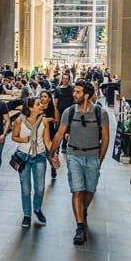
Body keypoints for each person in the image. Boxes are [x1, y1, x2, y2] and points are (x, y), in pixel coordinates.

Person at [49, 80, 110, 245]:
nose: (73, 94)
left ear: (86, 95)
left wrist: (100, 159)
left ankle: (82, 211)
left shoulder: (100, 113)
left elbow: (105, 138)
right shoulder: (69, 112)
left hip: (92, 157)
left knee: (89, 190)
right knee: (77, 190)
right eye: (74, 91)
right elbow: (60, 133)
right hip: (74, 155)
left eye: (77, 92)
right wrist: (52, 153)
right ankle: (80, 226)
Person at [11, 97, 53, 228]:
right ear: (30, 108)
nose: (41, 105)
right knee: (26, 189)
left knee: (40, 188)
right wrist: (22, 140)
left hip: (39, 156)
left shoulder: (44, 121)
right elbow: (13, 136)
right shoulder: (19, 121)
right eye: (38, 104)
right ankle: (27, 215)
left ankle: (37, 208)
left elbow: (47, 141)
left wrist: (53, 155)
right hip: (23, 157)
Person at [40, 91, 59, 179]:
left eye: (45, 96)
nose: (43, 98)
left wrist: (51, 119)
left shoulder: (52, 108)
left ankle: (52, 166)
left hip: (50, 133)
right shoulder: (38, 107)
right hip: (40, 134)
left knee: (49, 154)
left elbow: (57, 120)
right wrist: (46, 119)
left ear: (49, 99)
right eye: (42, 96)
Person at [53, 74, 74, 152]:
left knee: (67, 129)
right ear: (62, 79)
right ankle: (57, 147)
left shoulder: (72, 88)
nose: (65, 80)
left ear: (69, 79)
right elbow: (55, 102)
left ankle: (64, 146)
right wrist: (55, 112)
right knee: (57, 129)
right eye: (64, 78)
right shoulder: (58, 89)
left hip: (69, 111)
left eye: (66, 78)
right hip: (60, 112)